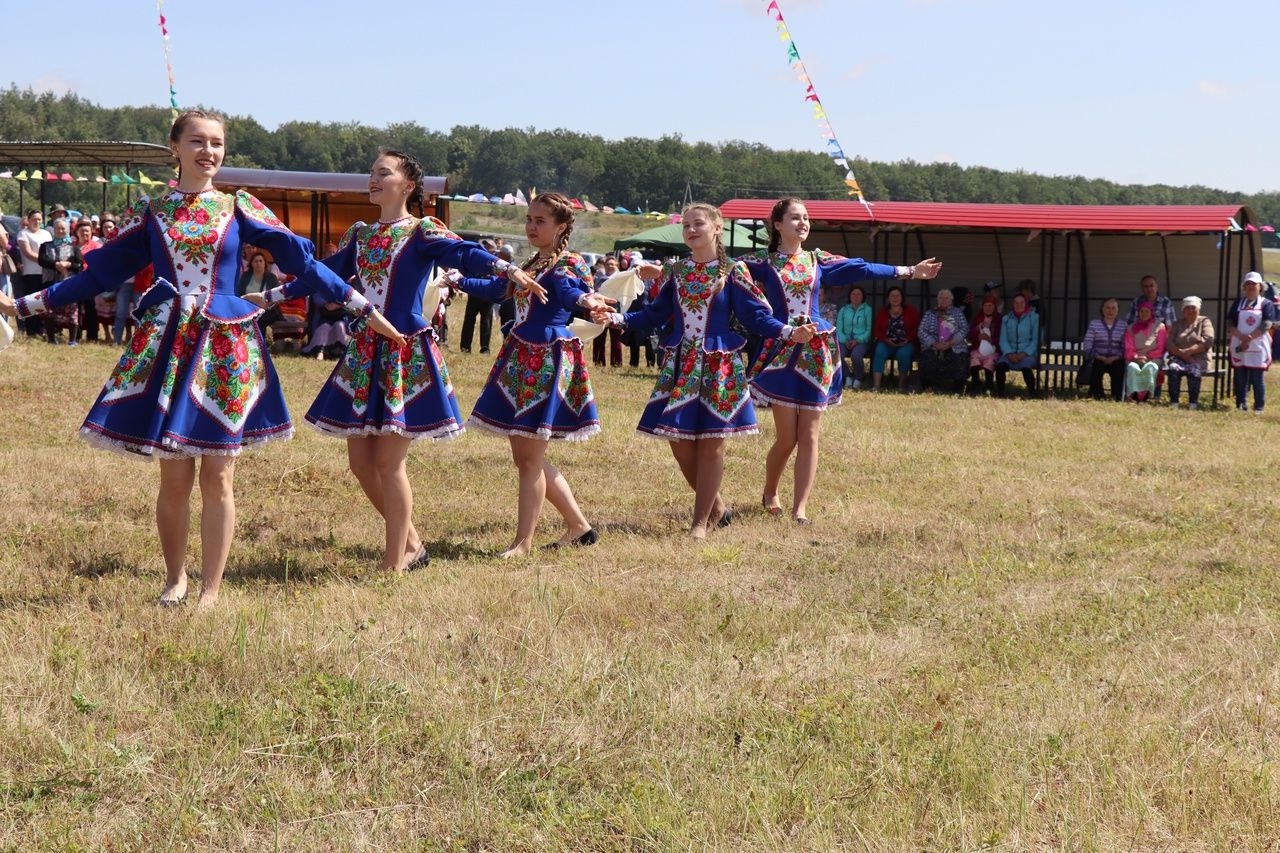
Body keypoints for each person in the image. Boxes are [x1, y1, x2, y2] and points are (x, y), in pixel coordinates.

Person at [0, 109, 400, 609]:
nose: (208, 151)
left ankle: (211, 588)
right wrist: (27, 303)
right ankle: (176, 579)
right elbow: (96, 279)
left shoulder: (240, 207)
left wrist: (363, 307)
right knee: (174, 475)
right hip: (169, 344)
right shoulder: (154, 212)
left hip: (226, 347)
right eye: (198, 141)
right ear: (175, 148)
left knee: (220, 474)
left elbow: (307, 266)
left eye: (217, 143)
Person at [250, 150, 542, 571]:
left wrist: (506, 269)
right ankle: (412, 545)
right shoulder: (362, 235)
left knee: (388, 462)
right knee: (359, 462)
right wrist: (272, 296)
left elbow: (463, 253)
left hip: (404, 349)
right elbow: (323, 274)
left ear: (407, 186)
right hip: (365, 350)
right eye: (371, 173)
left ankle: (394, 563)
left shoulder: (422, 231)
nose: (373, 179)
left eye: (383, 173)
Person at [597, 203, 816, 538]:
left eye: (698, 223)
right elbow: (655, 315)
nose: (690, 230)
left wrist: (788, 332)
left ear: (717, 228)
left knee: (712, 443)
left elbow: (756, 317)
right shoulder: (678, 271)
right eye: (686, 225)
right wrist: (617, 318)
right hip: (681, 364)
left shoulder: (732, 270)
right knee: (678, 440)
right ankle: (716, 508)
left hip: (719, 364)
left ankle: (700, 524)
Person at [744, 198, 939, 521]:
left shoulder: (818, 260)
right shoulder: (762, 263)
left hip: (816, 351)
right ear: (777, 224)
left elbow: (862, 267)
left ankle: (800, 508)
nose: (803, 223)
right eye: (795, 217)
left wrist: (910, 272)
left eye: (806, 218)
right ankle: (770, 490)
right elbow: (719, 268)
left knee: (809, 435)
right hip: (782, 349)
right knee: (786, 438)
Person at [452, 192, 614, 557]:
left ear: (562, 227)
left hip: (546, 361)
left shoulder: (568, 263)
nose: (531, 227)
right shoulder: (534, 262)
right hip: (523, 357)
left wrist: (588, 302)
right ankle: (578, 527)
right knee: (527, 457)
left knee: (529, 458)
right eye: (529, 219)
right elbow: (499, 289)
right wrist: (458, 280)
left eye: (540, 221)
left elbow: (570, 291)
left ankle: (522, 543)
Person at [1227, 271, 1276, 413]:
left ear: (1260, 286)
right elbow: (1229, 322)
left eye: (1253, 284)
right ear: (1244, 286)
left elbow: (1267, 323)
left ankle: (1259, 406)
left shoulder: (1266, 304)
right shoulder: (1238, 303)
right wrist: (1240, 336)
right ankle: (1241, 404)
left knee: (1257, 377)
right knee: (1240, 376)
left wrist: (1249, 337)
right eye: (1247, 284)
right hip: (1238, 342)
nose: (1250, 286)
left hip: (1257, 344)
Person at [37, 218, 84, 345]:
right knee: (49, 312)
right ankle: (51, 339)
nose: (60, 230)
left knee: (72, 312)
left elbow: (79, 264)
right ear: (54, 230)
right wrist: (56, 264)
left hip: (68, 285)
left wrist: (68, 264)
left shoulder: (74, 248)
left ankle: (72, 340)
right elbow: (42, 260)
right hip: (50, 283)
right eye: (58, 228)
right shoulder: (45, 246)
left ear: (67, 230)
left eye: (63, 228)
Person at [1165, 296, 1214, 409]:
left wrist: (1190, 351)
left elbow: (1208, 341)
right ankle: (1174, 402)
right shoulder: (1177, 324)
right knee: (1173, 368)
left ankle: (1193, 403)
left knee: (1194, 369)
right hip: (1179, 357)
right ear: (1183, 310)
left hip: (1200, 358)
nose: (1191, 310)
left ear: (1199, 309)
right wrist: (1183, 355)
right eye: (1188, 307)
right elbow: (1169, 344)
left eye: (1193, 307)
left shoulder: (1205, 321)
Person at [917, 288, 969, 393]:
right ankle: (927, 388)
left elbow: (964, 329)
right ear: (937, 299)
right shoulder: (930, 313)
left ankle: (958, 390)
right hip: (933, 345)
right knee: (927, 358)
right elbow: (921, 331)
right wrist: (934, 343)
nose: (944, 300)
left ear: (951, 300)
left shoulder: (958, 313)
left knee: (961, 358)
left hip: (953, 345)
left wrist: (950, 343)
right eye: (941, 298)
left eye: (947, 298)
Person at [871, 285, 921, 391]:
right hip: (887, 342)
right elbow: (877, 330)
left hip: (906, 342)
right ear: (888, 298)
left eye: (897, 296)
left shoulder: (910, 310)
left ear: (902, 298)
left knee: (903, 354)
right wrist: (886, 340)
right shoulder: (883, 312)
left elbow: (917, 327)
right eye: (892, 296)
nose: (895, 298)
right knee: (879, 351)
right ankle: (876, 385)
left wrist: (908, 339)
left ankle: (902, 385)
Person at [1081, 297, 1126, 401]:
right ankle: (1097, 395)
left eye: (1113, 308)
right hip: (1097, 357)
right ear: (1102, 309)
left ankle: (1117, 395)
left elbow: (1125, 345)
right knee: (1097, 367)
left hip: (1116, 358)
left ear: (1118, 310)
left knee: (1119, 369)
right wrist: (1097, 356)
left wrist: (1116, 357)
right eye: (1107, 308)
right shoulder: (1094, 324)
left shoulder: (1123, 325)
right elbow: (1087, 343)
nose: (1110, 311)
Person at [996, 292, 1040, 397]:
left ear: (1026, 304)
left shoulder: (1034, 318)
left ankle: (1032, 393)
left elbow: (1036, 340)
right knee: (1000, 367)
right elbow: (1003, 339)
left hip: (1028, 354)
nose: (1019, 305)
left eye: (1022, 302)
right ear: (1012, 304)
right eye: (1016, 303)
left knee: (1026, 367)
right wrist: (1009, 353)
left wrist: (1024, 353)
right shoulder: (1006, 319)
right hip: (1009, 354)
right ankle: (1000, 393)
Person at [15, 209, 51, 337]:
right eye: (34, 219)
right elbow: (27, 253)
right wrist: (46, 261)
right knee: (31, 301)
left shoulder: (46, 234)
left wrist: (50, 263)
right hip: (31, 273)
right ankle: (31, 329)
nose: (37, 221)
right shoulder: (23, 234)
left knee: (44, 301)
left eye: (39, 219)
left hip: (45, 273)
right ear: (29, 220)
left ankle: (43, 328)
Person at [459, 238, 497, 354]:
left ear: (494, 250)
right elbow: (467, 272)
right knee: (469, 320)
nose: (486, 248)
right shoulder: (476, 259)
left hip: (488, 295)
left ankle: (485, 348)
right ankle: (465, 347)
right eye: (484, 246)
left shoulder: (496, 262)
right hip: (474, 294)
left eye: (489, 247)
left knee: (486, 322)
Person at [1123, 300, 1166, 402]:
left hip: (1153, 358)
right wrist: (1136, 356)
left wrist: (1148, 356)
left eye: (1147, 311)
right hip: (1135, 357)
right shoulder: (1131, 328)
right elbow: (1128, 347)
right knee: (1132, 367)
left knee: (1151, 367)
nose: (1144, 314)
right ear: (1138, 313)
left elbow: (1161, 347)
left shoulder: (1160, 326)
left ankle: (1148, 396)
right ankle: (1132, 396)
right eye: (1141, 311)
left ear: (1152, 312)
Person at [74, 218, 104, 342]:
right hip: (75, 282)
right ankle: (77, 335)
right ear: (77, 232)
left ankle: (92, 336)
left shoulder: (96, 246)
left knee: (91, 308)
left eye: (87, 231)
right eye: (82, 231)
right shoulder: (73, 246)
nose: (85, 234)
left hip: (91, 281)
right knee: (77, 309)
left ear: (92, 232)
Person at [837, 285, 872, 389]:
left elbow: (868, 330)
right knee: (837, 354)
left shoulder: (868, 310)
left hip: (861, 341)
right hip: (845, 340)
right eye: (853, 294)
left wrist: (858, 340)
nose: (856, 296)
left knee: (856, 355)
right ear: (849, 296)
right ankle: (847, 376)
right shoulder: (843, 309)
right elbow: (838, 329)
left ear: (863, 297)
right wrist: (844, 340)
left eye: (858, 294)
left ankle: (858, 378)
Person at [592, 254, 624, 367]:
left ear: (617, 265)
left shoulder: (621, 278)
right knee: (599, 338)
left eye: (612, 264)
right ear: (604, 266)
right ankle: (599, 362)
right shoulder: (599, 278)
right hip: (600, 310)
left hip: (616, 311)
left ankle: (616, 363)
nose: (610, 266)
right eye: (607, 264)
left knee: (616, 339)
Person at [967, 293, 1001, 394]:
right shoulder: (978, 317)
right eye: (985, 305)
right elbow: (970, 336)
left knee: (990, 361)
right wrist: (977, 329)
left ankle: (988, 385)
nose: (987, 308)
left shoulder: (999, 318)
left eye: (990, 305)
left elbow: (1001, 336)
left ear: (995, 307)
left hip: (993, 349)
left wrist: (989, 339)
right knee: (974, 359)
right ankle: (976, 384)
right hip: (978, 348)